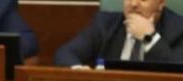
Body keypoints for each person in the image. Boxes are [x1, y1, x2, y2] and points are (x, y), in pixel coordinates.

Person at [54, 0, 183, 67]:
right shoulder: (105, 24)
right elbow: (65, 53)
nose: (133, 4)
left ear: (160, 3)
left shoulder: (178, 29)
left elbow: (178, 68)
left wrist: (150, 38)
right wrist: (79, 71)